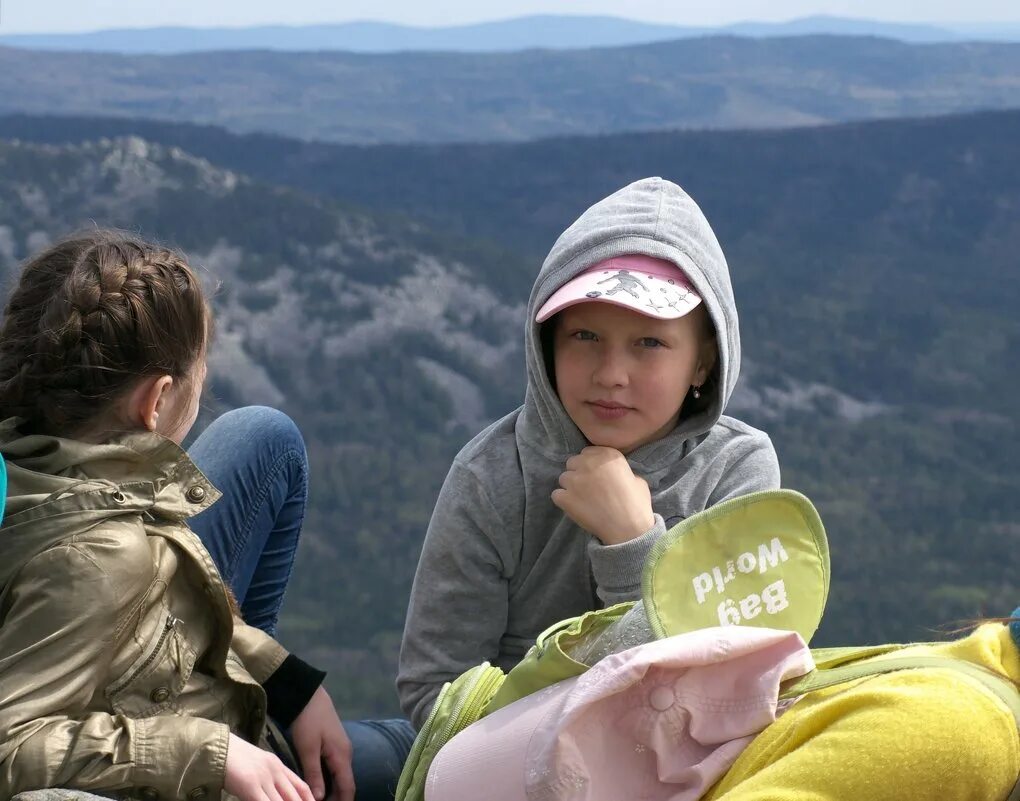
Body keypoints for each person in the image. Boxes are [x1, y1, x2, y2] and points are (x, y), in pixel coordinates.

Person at [0, 230, 407, 801]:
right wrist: (207, 752)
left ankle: (260, 709)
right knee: (417, 755)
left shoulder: (58, 457)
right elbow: (10, 745)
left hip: (180, 697)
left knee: (264, 437)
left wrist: (288, 683)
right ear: (156, 400)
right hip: (188, 764)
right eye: (199, 371)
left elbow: (176, 591)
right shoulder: (99, 559)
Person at [398, 176, 782, 728]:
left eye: (649, 343)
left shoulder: (735, 473)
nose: (611, 375)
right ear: (546, 343)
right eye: (584, 337)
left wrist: (632, 544)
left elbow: (726, 680)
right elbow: (433, 688)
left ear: (702, 363)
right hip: (504, 765)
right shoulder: (493, 475)